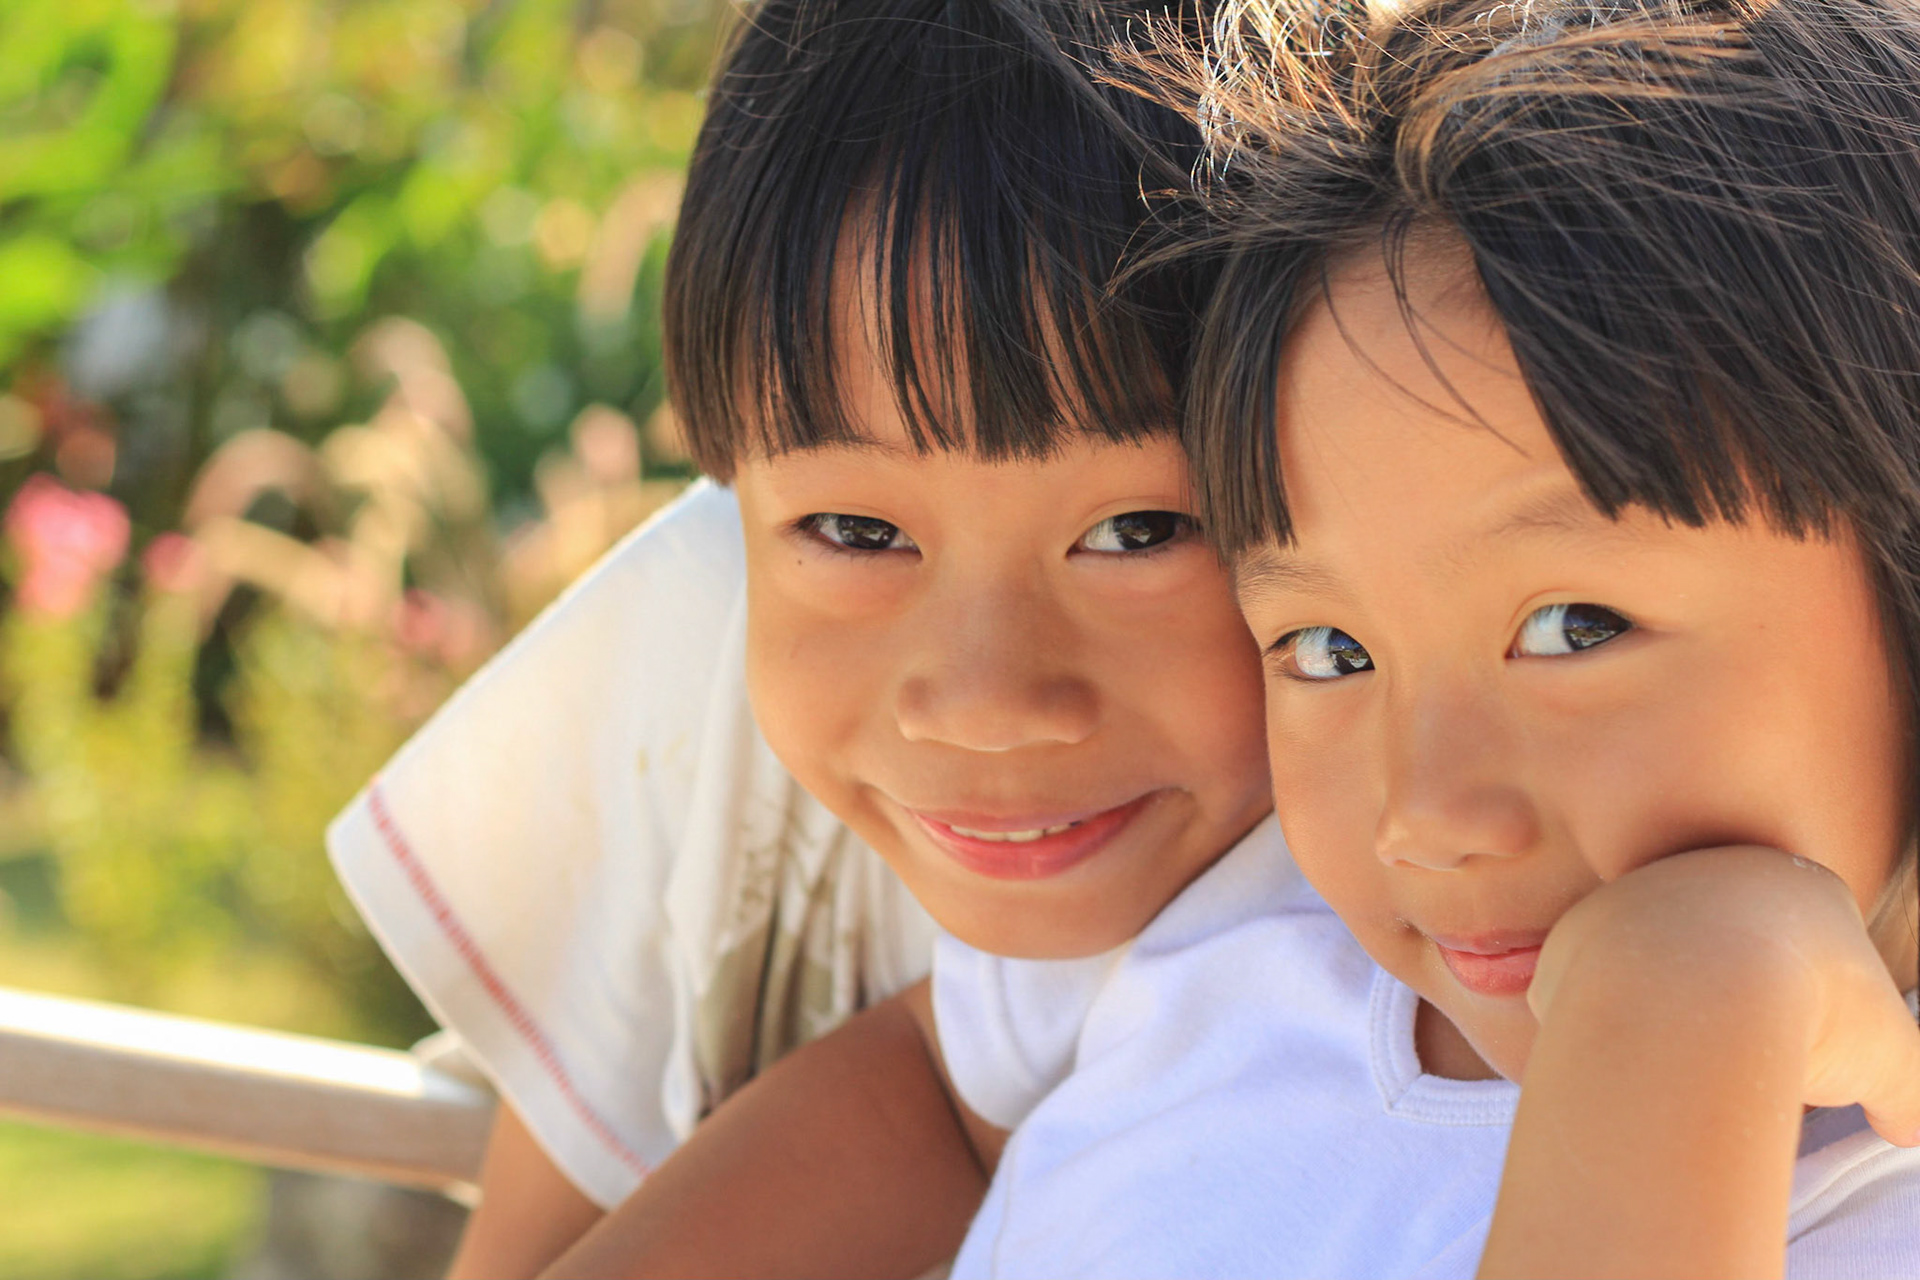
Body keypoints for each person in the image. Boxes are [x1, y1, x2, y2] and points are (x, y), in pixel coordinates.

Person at [937, 0, 1920, 1274]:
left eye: (1574, 628)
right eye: (1330, 651)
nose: (1424, 813)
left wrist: (1685, 1002)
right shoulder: (1241, 917)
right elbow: (925, 1087)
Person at [325, 0, 1272, 1274]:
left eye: (1143, 530)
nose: (985, 700)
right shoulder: (698, 660)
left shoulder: (1463, 863)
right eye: (857, 532)